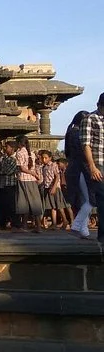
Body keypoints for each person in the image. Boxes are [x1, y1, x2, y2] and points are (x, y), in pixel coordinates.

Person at [80, 93, 104, 242]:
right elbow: (85, 144)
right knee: (103, 198)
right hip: (99, 162)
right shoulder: (90, 119)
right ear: (99, 105)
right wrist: (92, 167)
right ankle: (102, 236)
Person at [66, 110, 92, 238]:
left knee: (83, 200)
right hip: (81, 169)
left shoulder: (70, 132)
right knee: (90, 199)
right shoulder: (77, 133)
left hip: (73, 168)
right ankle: (77, 225)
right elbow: (83, 152)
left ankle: (84, 230)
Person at [14, 135, 43, 232]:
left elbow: (22, 168)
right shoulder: (31, 153)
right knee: (33, 202)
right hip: (31, 179)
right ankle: (36, 226)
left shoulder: (19, 152)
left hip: (23, 178)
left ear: (19, 143)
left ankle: (26, 225)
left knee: (24, 202)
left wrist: (33, 173)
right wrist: (35, 174)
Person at [0, 141, 19, 231]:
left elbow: (7, 171)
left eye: (7, 147)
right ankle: (2, 223)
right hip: (0, 184)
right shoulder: (4, 158)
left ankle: (14, 223)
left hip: (8, 184)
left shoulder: (11, 159)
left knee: (10, 205)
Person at [38, 150, 67, 230]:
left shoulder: (53, 165)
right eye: (43, 158)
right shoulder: (44, 167)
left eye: (46, 158)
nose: (44, 160)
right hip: (47, 187)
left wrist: (54, 187)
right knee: (52, 206)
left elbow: (57, 177)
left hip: (55, 188)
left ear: (50, 158)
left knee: (59, 206)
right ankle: (54, 223)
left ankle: (65, 220)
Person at [56, 158, 76, 229]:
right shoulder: (60, 171)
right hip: (62, 188)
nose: (58, 165)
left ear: (64, 164)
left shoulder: (68, 171)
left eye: (59, 163)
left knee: (68, 206)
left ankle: (72, 221)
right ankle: (65, 221)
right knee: (62, 206)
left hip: (66, 189)